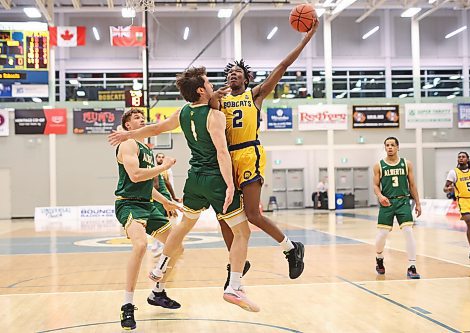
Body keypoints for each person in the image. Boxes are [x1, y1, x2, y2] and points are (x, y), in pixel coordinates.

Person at [109, 67, 260, 312]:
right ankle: (234, 286)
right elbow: (222, 153)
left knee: (185, 224)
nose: (212, 85)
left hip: (193, 180)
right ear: (201, 90)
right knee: (242, 232)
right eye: (209, 83)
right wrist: (230, 184)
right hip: (214, 179)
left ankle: (160, 268)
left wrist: (130, 133)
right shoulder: (215, 116)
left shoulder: (181, 113)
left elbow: (155, 129)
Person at [212, 20, 319, 285]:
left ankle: (291, 249)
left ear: (246, 78)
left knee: (252, 214)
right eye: (230, 73)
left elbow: (282, 67)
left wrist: (306, 39)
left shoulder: (255, 95)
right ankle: (238, 260)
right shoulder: (219, 100)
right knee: (223, 215)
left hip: (249, 153)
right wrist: (214, 94)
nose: (233, 75)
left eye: (238, 72)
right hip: (227, 159)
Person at [114, 109, 182, 330]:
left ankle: (157, 292)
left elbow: (146, 186)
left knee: (176, 246)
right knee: (140, 245)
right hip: (128, 203)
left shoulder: (147, 150)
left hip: (147, 203)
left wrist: (165, 201)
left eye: (143, 117)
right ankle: (127, 305)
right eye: (136, 118)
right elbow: (134, 176)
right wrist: (163, 167)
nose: (141, 119)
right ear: (127, 126)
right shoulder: (128, 145)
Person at [373, 137, 422, 279]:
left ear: (398, 147)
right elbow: (376, 185)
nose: (390, 147)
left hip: (403, 201)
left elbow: (412, 185)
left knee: (408, 232)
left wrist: (418, 203)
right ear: (385, 148)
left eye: (392, 145)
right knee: (382, 234)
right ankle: (379, 258)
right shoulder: (379, 166)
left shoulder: (407, 164)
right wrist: (380, 196)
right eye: (387, 145)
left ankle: (412, 266)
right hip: (387, 203)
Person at [443, 152, 470, 260]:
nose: (461, 158)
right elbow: (445, 188)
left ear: (468, 159)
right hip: (463, 201)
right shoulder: (453, 172)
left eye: (463, 157)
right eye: (459, 157)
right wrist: (448, 189)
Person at [151, 153, 182, 257]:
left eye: (162, 157)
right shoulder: (158, 170)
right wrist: (173, 197)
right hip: (165, 197)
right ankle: (161, 245)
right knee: (165, 221)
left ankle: (165, 246)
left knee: (160, 221)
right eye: (158, 157)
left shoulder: (154, 170)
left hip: (161, 199)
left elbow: (156, 186)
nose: (160, 158)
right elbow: (167, 183)